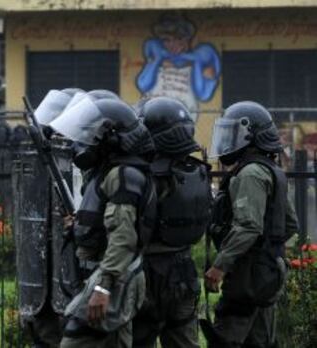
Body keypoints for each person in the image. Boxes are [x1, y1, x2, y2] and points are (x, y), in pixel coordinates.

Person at [48, 94, 157, 348]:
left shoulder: (122, 174)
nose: (84, 143)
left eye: (91, 136)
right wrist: (79, 227)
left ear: (111, 138)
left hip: (115, 277)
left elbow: (123, 236)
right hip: (116, 274)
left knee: (75, 340)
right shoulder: (112, 171)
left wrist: (103, 287)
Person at [204, 101, 299, 348]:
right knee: (260, 342)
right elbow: (290, 224)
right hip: (268, 273)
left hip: (247, 275)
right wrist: (270, 252)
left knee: (226, 339)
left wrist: (220, 266)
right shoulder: (273, 170)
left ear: (250, 136)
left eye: (233, 133)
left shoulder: (250, 174)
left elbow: (248, 227)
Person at [132, 97, 212, 348]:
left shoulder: (143, 175)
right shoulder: (197, 171)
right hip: (184, 269)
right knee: (184, 341)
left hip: (147, 271)